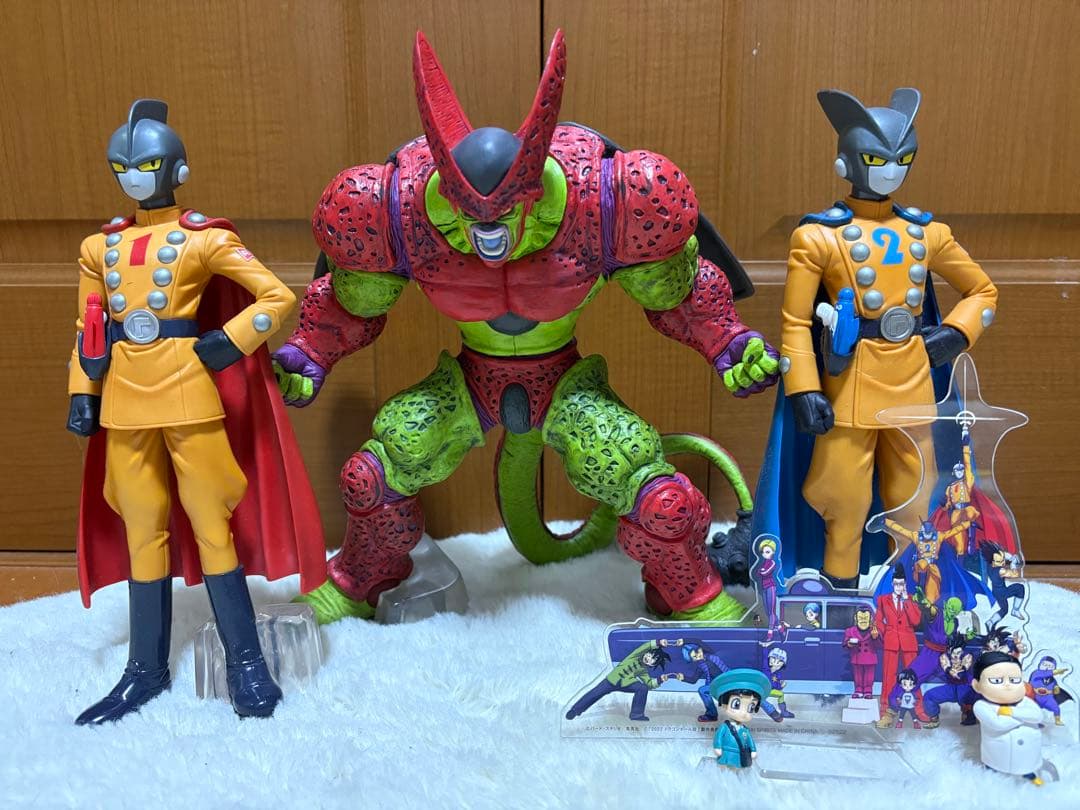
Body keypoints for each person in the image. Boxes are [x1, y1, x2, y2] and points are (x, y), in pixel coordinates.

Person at [971, 651, 1046, 784]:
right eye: (997, 681)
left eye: (1014, 680)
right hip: (997, 753)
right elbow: (999, 724)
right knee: (993, 771)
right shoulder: (981, 706)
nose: (1007, 685)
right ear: (977, 685)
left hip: (1028, 752)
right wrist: (1024, 717)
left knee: (1026, 764)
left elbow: (1038, 716)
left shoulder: (1025, 701)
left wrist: (1012, 712)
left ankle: (1030, 776)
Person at [710, 669, 773, 769]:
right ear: (725, 704)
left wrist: (753, 750)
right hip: (727, 753)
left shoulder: (745, 729)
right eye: (736, 704)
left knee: (737, 770)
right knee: (723, 769)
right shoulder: (725, 727)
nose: (743, 713)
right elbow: (718, 737)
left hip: (740, 755)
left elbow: (749, 740)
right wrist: (717, 747)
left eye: (750, 708)